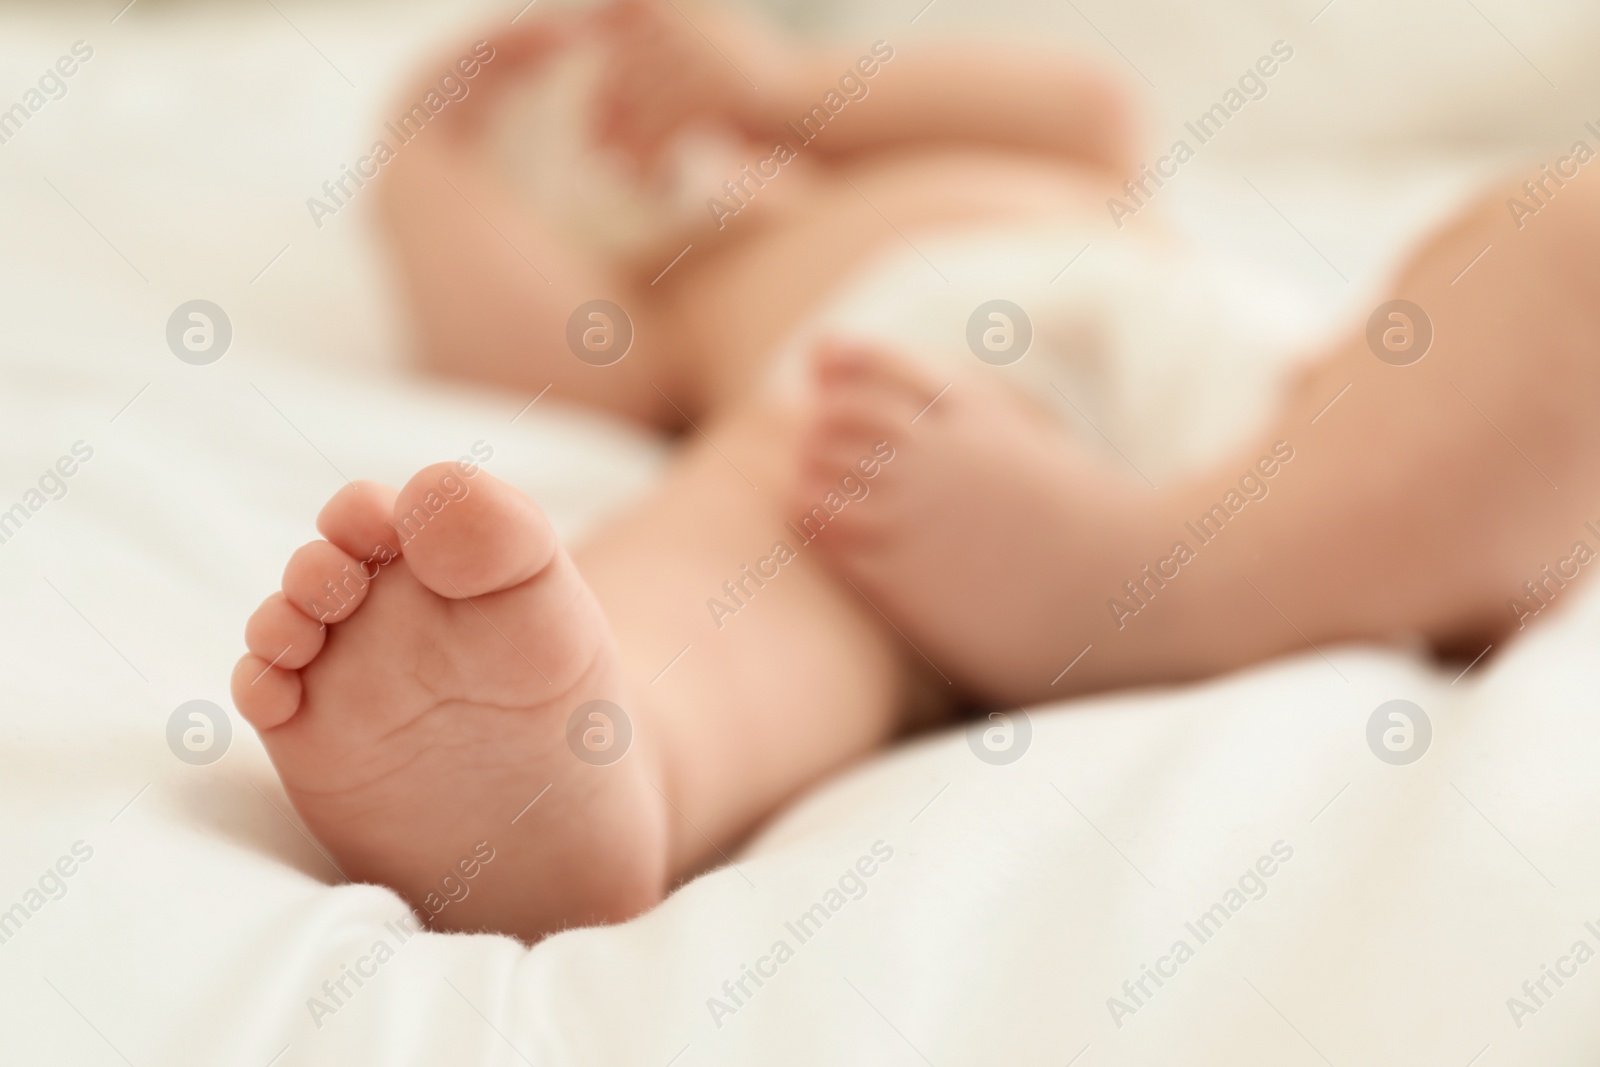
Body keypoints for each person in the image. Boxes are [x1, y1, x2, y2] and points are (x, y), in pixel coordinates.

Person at [230, 0, 1600, 942]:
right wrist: (428, 166)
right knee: (719, 573)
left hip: (1273, 420)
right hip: (890, 445)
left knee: (1559, 241)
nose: (632, 132)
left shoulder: (956, 156)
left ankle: (1172, 588)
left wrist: (787, 90)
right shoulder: (684, 305)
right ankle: (573, 771)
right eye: (565, 150)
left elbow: (1092, 109)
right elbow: (564, 361)